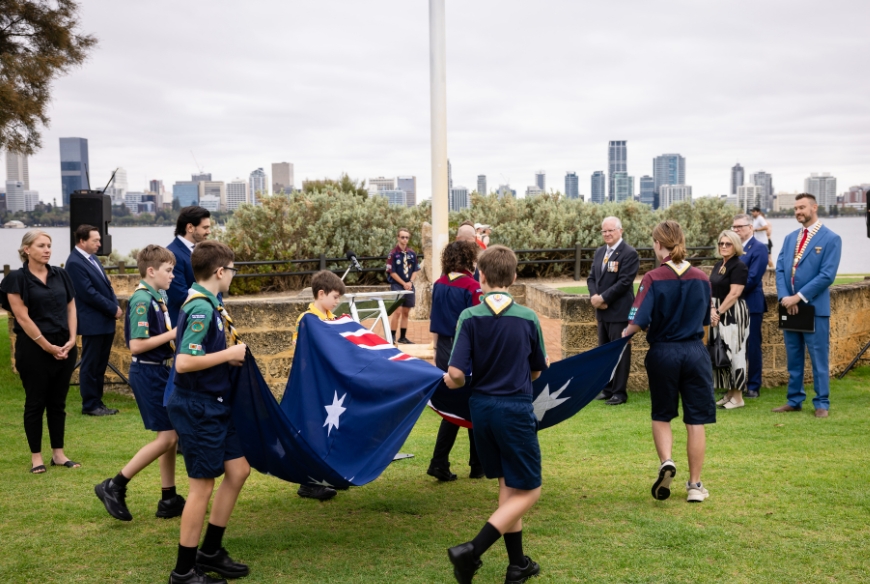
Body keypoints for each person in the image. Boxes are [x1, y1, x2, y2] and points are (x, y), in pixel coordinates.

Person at [444, 245, 548, 584]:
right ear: (514, 278)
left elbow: (457, 374)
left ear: (481, 277)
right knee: (530, 490)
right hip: (515, 409)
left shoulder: (470, 317)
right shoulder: (529, 318)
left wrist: (450, 379)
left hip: (482, 412)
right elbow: (536, 372)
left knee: (509, 485)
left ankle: (517, 565)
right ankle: (471, 551)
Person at [166, 240, 251, 584]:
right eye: (231, 270)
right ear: (220, 271)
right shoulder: (201, 308)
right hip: (198, 406)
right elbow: (184, 362)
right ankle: (184, 571)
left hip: (216, 403)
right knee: (201, 486)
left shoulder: (210, 304)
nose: (232, 276)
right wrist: (230, 355)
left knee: (239, 470)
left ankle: (211, 550)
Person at [623, 220, 715, 503]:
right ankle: (695, 486)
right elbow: (704, 320)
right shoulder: (702, 277)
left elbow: (636, 320)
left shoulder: (652, 278)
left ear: (658, 244)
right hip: (695, 352)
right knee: (695, 420)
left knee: (662, 414)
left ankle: (666, 462)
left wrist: (622, 336)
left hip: (663, 352)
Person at [95, 245, 185, 522]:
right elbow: (136, 345)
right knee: (168, 437)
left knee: (169, 436)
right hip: (148, 373)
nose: (172, 276)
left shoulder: (155, 296)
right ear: (151, 271)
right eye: (168, 271)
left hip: (159, 371)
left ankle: (168, 496)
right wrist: (174, 332)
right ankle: (114, 485)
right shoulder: (142, 301)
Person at [0, 230, 80, 473]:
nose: (47, 249)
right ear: (27, 250)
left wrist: (71, 339)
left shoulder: (61, 274)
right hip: (34, 348)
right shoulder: (16, 279)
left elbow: (71, 308)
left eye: (49, 245)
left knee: (58, 402)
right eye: (41, 245)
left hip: (64, 347)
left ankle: (58, 454)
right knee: (35, 402)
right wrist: (47, 346)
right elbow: (22, 317)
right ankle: (37, 457)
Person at [773, 193, 842, 418]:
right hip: (789, 306)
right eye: (795, 208)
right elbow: (781, 269)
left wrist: (799, 297)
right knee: (793, 357)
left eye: (802, 207)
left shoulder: (831, 238)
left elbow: (827, 275)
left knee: (818, 358)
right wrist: (785, 297)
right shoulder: (790, 237)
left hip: (814, 309)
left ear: (814, 208)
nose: (798, 212)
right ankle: (794, 400)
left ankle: (822, 403)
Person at [428, 241, 484, 482]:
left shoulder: (438, 285)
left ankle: (468, 462)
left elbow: (433, 318)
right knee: (472, 402)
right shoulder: (472, 286)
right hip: (464, 348)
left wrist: (433, 350)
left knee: (456, 405)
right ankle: (470, 462)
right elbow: (478, 322)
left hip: (442, 348)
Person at [291, 270, 346, 501]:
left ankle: (326, 475)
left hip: (329, 386)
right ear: (321, 293)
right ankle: (308, 483)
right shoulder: (307, 319)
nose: (336, 302)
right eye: (334, 297)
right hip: (312, 386)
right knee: (313, 432)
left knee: (329, 431)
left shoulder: (333, 318)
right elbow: (300, 353)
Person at [65, 224, 121, 416]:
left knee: (100, 365)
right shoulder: (74, 263)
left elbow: (106, 286)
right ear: (82, 241)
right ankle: (89, 405)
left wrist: (114, 304)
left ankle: (98, 402)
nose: (99, 243)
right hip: (92, 322)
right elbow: (88, 293)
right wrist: (112, 308)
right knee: (90, 365)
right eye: (95, 240)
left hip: (104, 321)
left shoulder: (92, 258)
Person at [588, 216, 639, 405]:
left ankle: (619, 392)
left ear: (620, 231)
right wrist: (595, 298)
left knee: (621, 353)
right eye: (604, 231)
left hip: (619, 312)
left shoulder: (629, 253)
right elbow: (592, 278)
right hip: (602, 312)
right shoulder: (600, 252)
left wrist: (604, 298)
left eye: (611, 230)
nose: (607, 234)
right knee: (605, 352)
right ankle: (607, 389)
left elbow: (625, 282)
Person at [709, 230, 749, 410]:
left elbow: (735, 293)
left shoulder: (739, 266)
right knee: (722, 351)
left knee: (735, 352)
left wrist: (717, 311)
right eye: (721, 244)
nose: (723, 247)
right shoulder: (719, 264)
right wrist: (711, 309)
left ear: (736, 245)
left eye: (728, 244)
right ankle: (729, 393)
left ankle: (738, 396)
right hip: (717, 311)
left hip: (733, 314)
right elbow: (711, 289)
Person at [731, 214, 769, 398]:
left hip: (751, 304)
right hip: (732, 304)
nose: (736, 230)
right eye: (734, 227)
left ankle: (753, 385)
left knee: (752, 346)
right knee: (734, 346)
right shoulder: (732, 249)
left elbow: (753, 278)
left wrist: (732, 290)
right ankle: (736, 384)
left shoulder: (759, 248)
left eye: (740, 226)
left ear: (750, 227)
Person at [167, 206, 212, 327]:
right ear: (190, 227)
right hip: (186, 325)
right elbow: (180, 296)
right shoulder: (172, 254)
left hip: (206, 321)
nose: (209, 231)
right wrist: (211, 305)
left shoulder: (203, 250)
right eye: (205, 227)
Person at [386, 227, 420, 344]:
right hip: (397, 285)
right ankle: (392, 337)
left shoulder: (411, 254)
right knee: (398, 311)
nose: (404, 240)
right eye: (402, 237)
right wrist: (403, 283)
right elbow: (392, 272)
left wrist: (410, 282)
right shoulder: (393, 254)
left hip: (409, 285)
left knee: (406, 311)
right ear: (398, 238)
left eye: (407, 237)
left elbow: (415, 269)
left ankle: (403, 337)